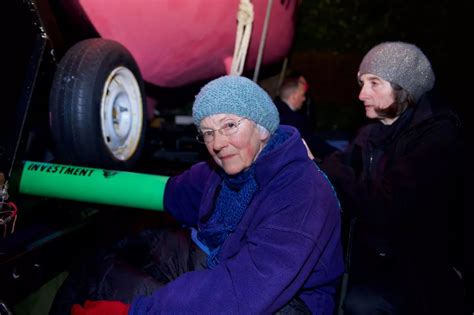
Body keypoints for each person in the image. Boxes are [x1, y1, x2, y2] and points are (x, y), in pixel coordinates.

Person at [62, 75, 344, 314]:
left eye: (229, 125)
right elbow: (174, 193)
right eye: (207, 133)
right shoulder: (221, 173)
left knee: (131, 293)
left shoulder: (301, 194)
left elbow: (241, 292)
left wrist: (137, 311)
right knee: (109, 260)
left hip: (286, 304)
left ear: (262, 128)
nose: (218, 143)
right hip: (230, 267)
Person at [318, 41, 465, 314]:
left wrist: (332, 169)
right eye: (362, 83)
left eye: (375, 83)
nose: (362, 94)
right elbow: (339, 176)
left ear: (404, 88)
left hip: (420, 272)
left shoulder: (436, 137)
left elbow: (385, 205)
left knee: (360, 305)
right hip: (370, 261)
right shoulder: (369, 134)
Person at [275, 75, 338, 161]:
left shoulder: (274, 112)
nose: (304, 99)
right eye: (303, 95)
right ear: (294, 96)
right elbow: (313, 143)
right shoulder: (294, 120)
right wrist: (337, 153)